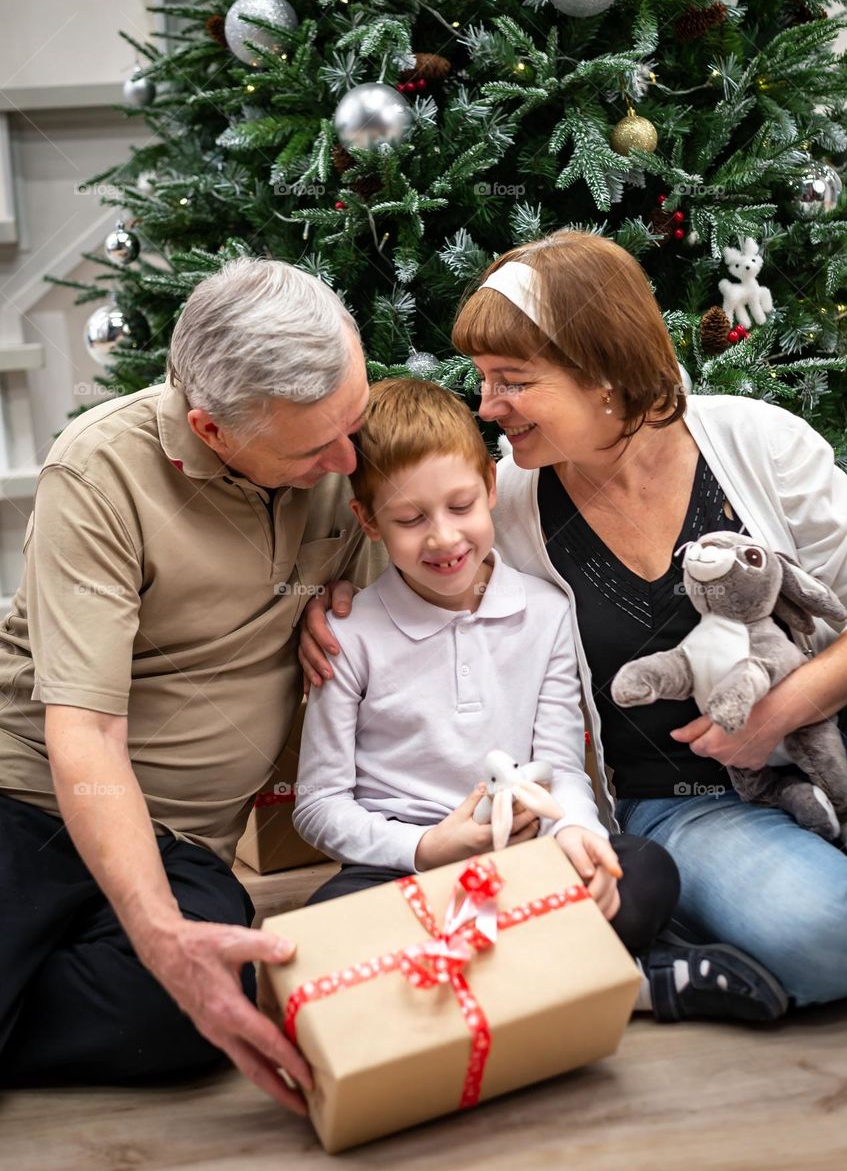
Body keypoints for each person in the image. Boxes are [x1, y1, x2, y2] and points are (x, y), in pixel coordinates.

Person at [0, 258, 386, 1106]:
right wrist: (158, 938)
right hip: (27, 797)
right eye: (314, 447)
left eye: (352, 421)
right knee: (169, 965)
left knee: (187, 1010)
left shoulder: (339, 452)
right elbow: (85, 734)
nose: (349, 458)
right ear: (211, 431)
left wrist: (363, 601)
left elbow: (446, 561)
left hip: (185, 845)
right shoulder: (98, 474)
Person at [294, 377, 788, 1022]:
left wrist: (578, 834)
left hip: (524, 859)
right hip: (405, 870)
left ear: (492, 491)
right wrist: (425, 850)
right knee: (326, 930)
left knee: (642, 873)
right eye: (411, 520)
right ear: (370, 522)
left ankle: (459, 983)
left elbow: (560, 763)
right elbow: (318, 806)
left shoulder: (548, 610)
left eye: (461, 506)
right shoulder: (347, 635)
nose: (444, 539)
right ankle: (626, 982)